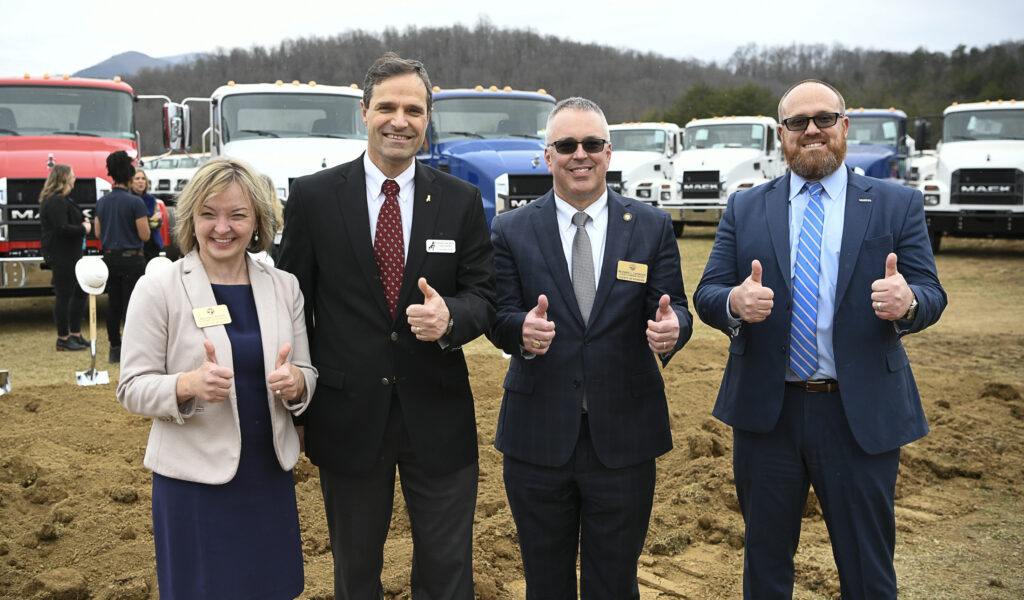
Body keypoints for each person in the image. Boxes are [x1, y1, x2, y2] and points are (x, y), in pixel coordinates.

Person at [692, 79, 946, 599]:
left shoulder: (897, 204)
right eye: (797, 123)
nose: (811, 131)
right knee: (764, 566)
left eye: (824, 119)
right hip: (768, 415)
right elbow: (708, 292)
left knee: (867, 570)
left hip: (859, 416)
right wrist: (734, 304)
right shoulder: (745, 208)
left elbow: (931, 293)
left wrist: (910, 302)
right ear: (780, 135)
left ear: (844, 127)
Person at [277, 53, 495, 599]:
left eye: (414, 110)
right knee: (355, 574)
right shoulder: (314, 196)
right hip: (348, 418)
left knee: (448, 574)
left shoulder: (461, 200)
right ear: (364, 111)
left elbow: (485, 296)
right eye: (388, 107)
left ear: (428, 118)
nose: (401, 120)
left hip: (439, 414)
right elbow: (290, 304)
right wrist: (297, 404)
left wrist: (452, 319)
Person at [488, 97, 693, 598]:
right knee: (546, 580)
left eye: (592, 144)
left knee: (614, 581)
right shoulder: (511, 228)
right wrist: (521, 331)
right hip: (537, 438)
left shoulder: (651, 225)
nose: (581, 155)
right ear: (547, 155)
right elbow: (497, 316)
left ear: (609, 151)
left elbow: (677, 309)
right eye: (566, 145)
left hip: (624, 438)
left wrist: (673, 330)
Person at [117, 157, 317, 600]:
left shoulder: (285, 287)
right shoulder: (160, 288)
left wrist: (298, 384)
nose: (222, 227)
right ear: (191, 218)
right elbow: (130, 387)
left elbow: (306, 372)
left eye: (237, 215)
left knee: (271, 587)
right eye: (209, 214)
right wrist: (186, 385)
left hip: (267, 476)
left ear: (259, 221)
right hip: (194, 483)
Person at [94, 150, 150, 363]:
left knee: (113, 304)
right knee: (132, 305)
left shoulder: (103, 202)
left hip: (109, 258)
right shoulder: (135, 203)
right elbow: (144, 234)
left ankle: (114, 347)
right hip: (132, 258)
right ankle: (132, 347)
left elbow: (98, 233)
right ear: (129, 175)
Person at [39, 164, 91, 351]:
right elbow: (61, 228)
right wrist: (83, 228)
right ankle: (63, 338)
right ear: (63, 179)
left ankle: (75, 334)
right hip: (62, 256)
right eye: (72, 175)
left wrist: (81, 222)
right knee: (64, 295)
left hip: (73, 255)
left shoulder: (64, 200)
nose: (75, 178)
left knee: (79, 293)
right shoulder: (55, 202)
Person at [131, 168, 164, 261]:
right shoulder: (129, 199)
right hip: (137, 245)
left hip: (153, 243)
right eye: (137, 178)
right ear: (131, 182)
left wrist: (155, 220)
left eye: (143, 178)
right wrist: (150, 221)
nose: (141, 181)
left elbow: (158, 221)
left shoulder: (151, 198)